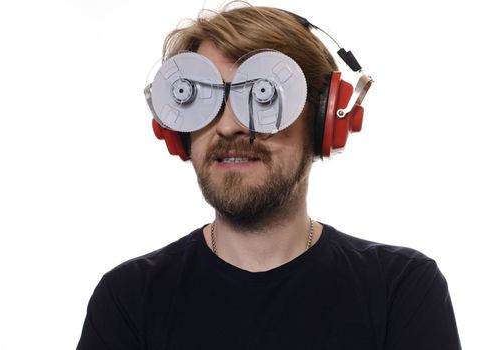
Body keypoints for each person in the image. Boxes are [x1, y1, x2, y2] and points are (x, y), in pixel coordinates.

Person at [76, 3, 461, 349]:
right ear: (177, 132)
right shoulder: (128, 298)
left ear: (323, 120)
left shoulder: (401, 289)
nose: (228, 127)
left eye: (263, 97)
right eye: (200, 99)